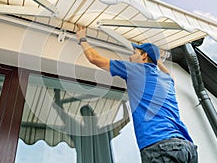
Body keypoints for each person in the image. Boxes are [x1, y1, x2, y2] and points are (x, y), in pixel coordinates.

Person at [76, 24, 198, 163]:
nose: (130, 57)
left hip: (160, 147)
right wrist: (157, 60)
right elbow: (167, 72)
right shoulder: (167, 79)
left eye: (134, 53)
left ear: (144, 56)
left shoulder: (136, 70)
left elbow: (94, 58)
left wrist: (82, 39)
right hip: (187, 148)